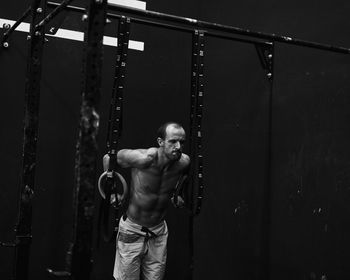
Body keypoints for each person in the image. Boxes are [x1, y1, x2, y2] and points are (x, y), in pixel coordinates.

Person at [103, 122, 190, 280]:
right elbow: (108, 158)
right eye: (173, 141)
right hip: (132, 230)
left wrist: (176, 194)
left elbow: (179, 181)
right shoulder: (144, 159)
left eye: (182, 142)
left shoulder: (183, 162)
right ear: (160, 142)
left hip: (158, 233)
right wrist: (113, 192)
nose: (178, 146)